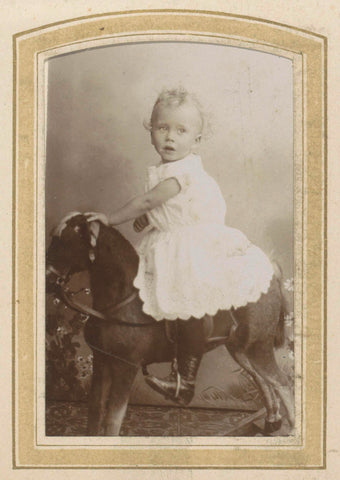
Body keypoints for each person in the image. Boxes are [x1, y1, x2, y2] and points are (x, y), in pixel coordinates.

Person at [86, 87, 274, 406]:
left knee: (186, 301)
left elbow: (149, 200)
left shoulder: (182, 172)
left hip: (192, 246)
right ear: (151, 132)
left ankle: (184, 380)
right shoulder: (167, 171)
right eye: (163, 128)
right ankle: (146, 350)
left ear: (196, 141)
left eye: (181, 131)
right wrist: (152, 219)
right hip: (171, 242)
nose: (170, 138)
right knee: (153, 298)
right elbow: (165, 207)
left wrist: (111, 218)